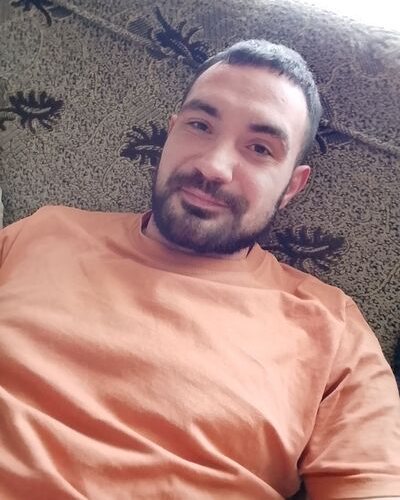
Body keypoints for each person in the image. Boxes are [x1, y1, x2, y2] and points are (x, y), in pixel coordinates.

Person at [0, 40, 399, 500]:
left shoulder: (333, 330)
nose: (213, 166)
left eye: (260, 148)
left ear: (292, 185)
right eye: (200, 125)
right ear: (170, 133)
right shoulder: (44, 230)